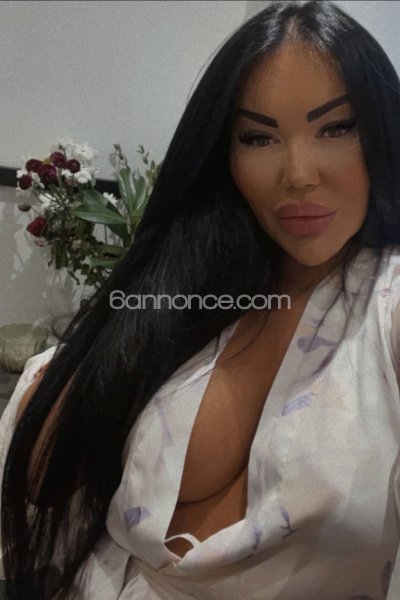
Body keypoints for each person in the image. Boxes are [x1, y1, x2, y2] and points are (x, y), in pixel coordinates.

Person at [1, 0, 400, 597]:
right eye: (259, 137)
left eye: (337, 128)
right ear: (224, 154)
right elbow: (41, 469)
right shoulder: (200, 284)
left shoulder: (387, 304)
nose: (298, 174)